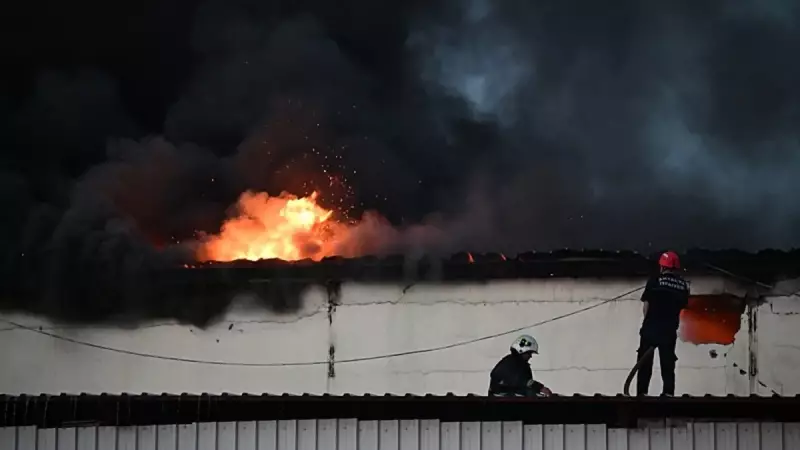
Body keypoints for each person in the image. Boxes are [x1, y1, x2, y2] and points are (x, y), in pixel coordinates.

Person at [636, 250, 690, 396]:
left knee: (644, 363)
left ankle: (642, 394)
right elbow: (682, 306)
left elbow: (646, 306)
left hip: (651, 328)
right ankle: (668, 394)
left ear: (662, 267)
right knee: (667, 364)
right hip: (669, 330)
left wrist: (647, 324)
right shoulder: (683, 285)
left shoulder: (654, 281)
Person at [488, 334, 552, 397]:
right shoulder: (510, 362)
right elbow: (519, 380)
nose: (530, 356)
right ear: (522, 350)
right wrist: (539, 387)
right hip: (502, 401)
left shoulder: (521, 365)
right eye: (529, 353)